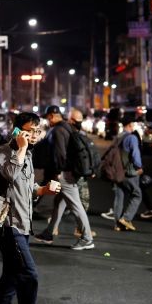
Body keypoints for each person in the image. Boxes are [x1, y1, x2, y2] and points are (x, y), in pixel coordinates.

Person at [0, 111, 61, 304]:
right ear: (18, 131)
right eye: (30, 130)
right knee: (29, 275)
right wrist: (19, 148)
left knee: (10, 276)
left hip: (24, 225)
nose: (35, 135)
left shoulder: (27, 154)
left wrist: (44, 189)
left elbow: (27, 189)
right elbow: (9, 174)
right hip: (9, 225)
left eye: (38, 131)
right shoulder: (4, 152)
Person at [33, 105, 95, 250]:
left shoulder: (59, 130)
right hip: (69, 172)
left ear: (51, 116)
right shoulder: (66, 127)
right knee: (59, 203)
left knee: (76, 206)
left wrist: (59, 171)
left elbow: (60, 154)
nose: (47, 120)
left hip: (65, 174)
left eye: (48, 117)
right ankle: (48, 233)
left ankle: (87, 239)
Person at [112, 117, 143, 232]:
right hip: (128, 171)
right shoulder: (131, 138)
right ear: (130, 125)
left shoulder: (118, 137)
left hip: (117, 171)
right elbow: (135, 154)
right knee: (137, 194)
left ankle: (117, 224)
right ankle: (126, 218)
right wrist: (139, 167)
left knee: (119, 196)